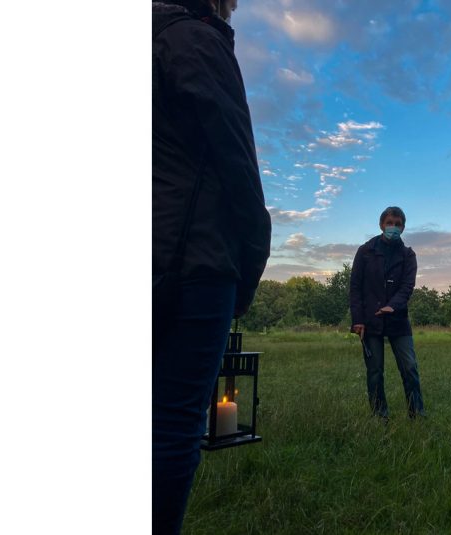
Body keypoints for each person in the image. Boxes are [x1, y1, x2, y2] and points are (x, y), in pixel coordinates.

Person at [152, 0, 271, 533]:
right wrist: (247, 268)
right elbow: (238, 166)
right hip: (192, 261)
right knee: (175, 425)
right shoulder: (197, 40)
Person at [349, 207, 426, 420]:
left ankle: (417, 414)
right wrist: (358, 320)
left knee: (410, 368)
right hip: (370, 319)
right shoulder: (365, 251)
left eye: (398, 223)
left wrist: (393, 305)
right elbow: (355, 288)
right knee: (375, 372)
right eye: (390, 222)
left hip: (398, 320)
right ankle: (379, 416)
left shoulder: (408, 255)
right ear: (381, 224)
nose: (393, 227)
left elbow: (407, 286)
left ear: (403, 227)